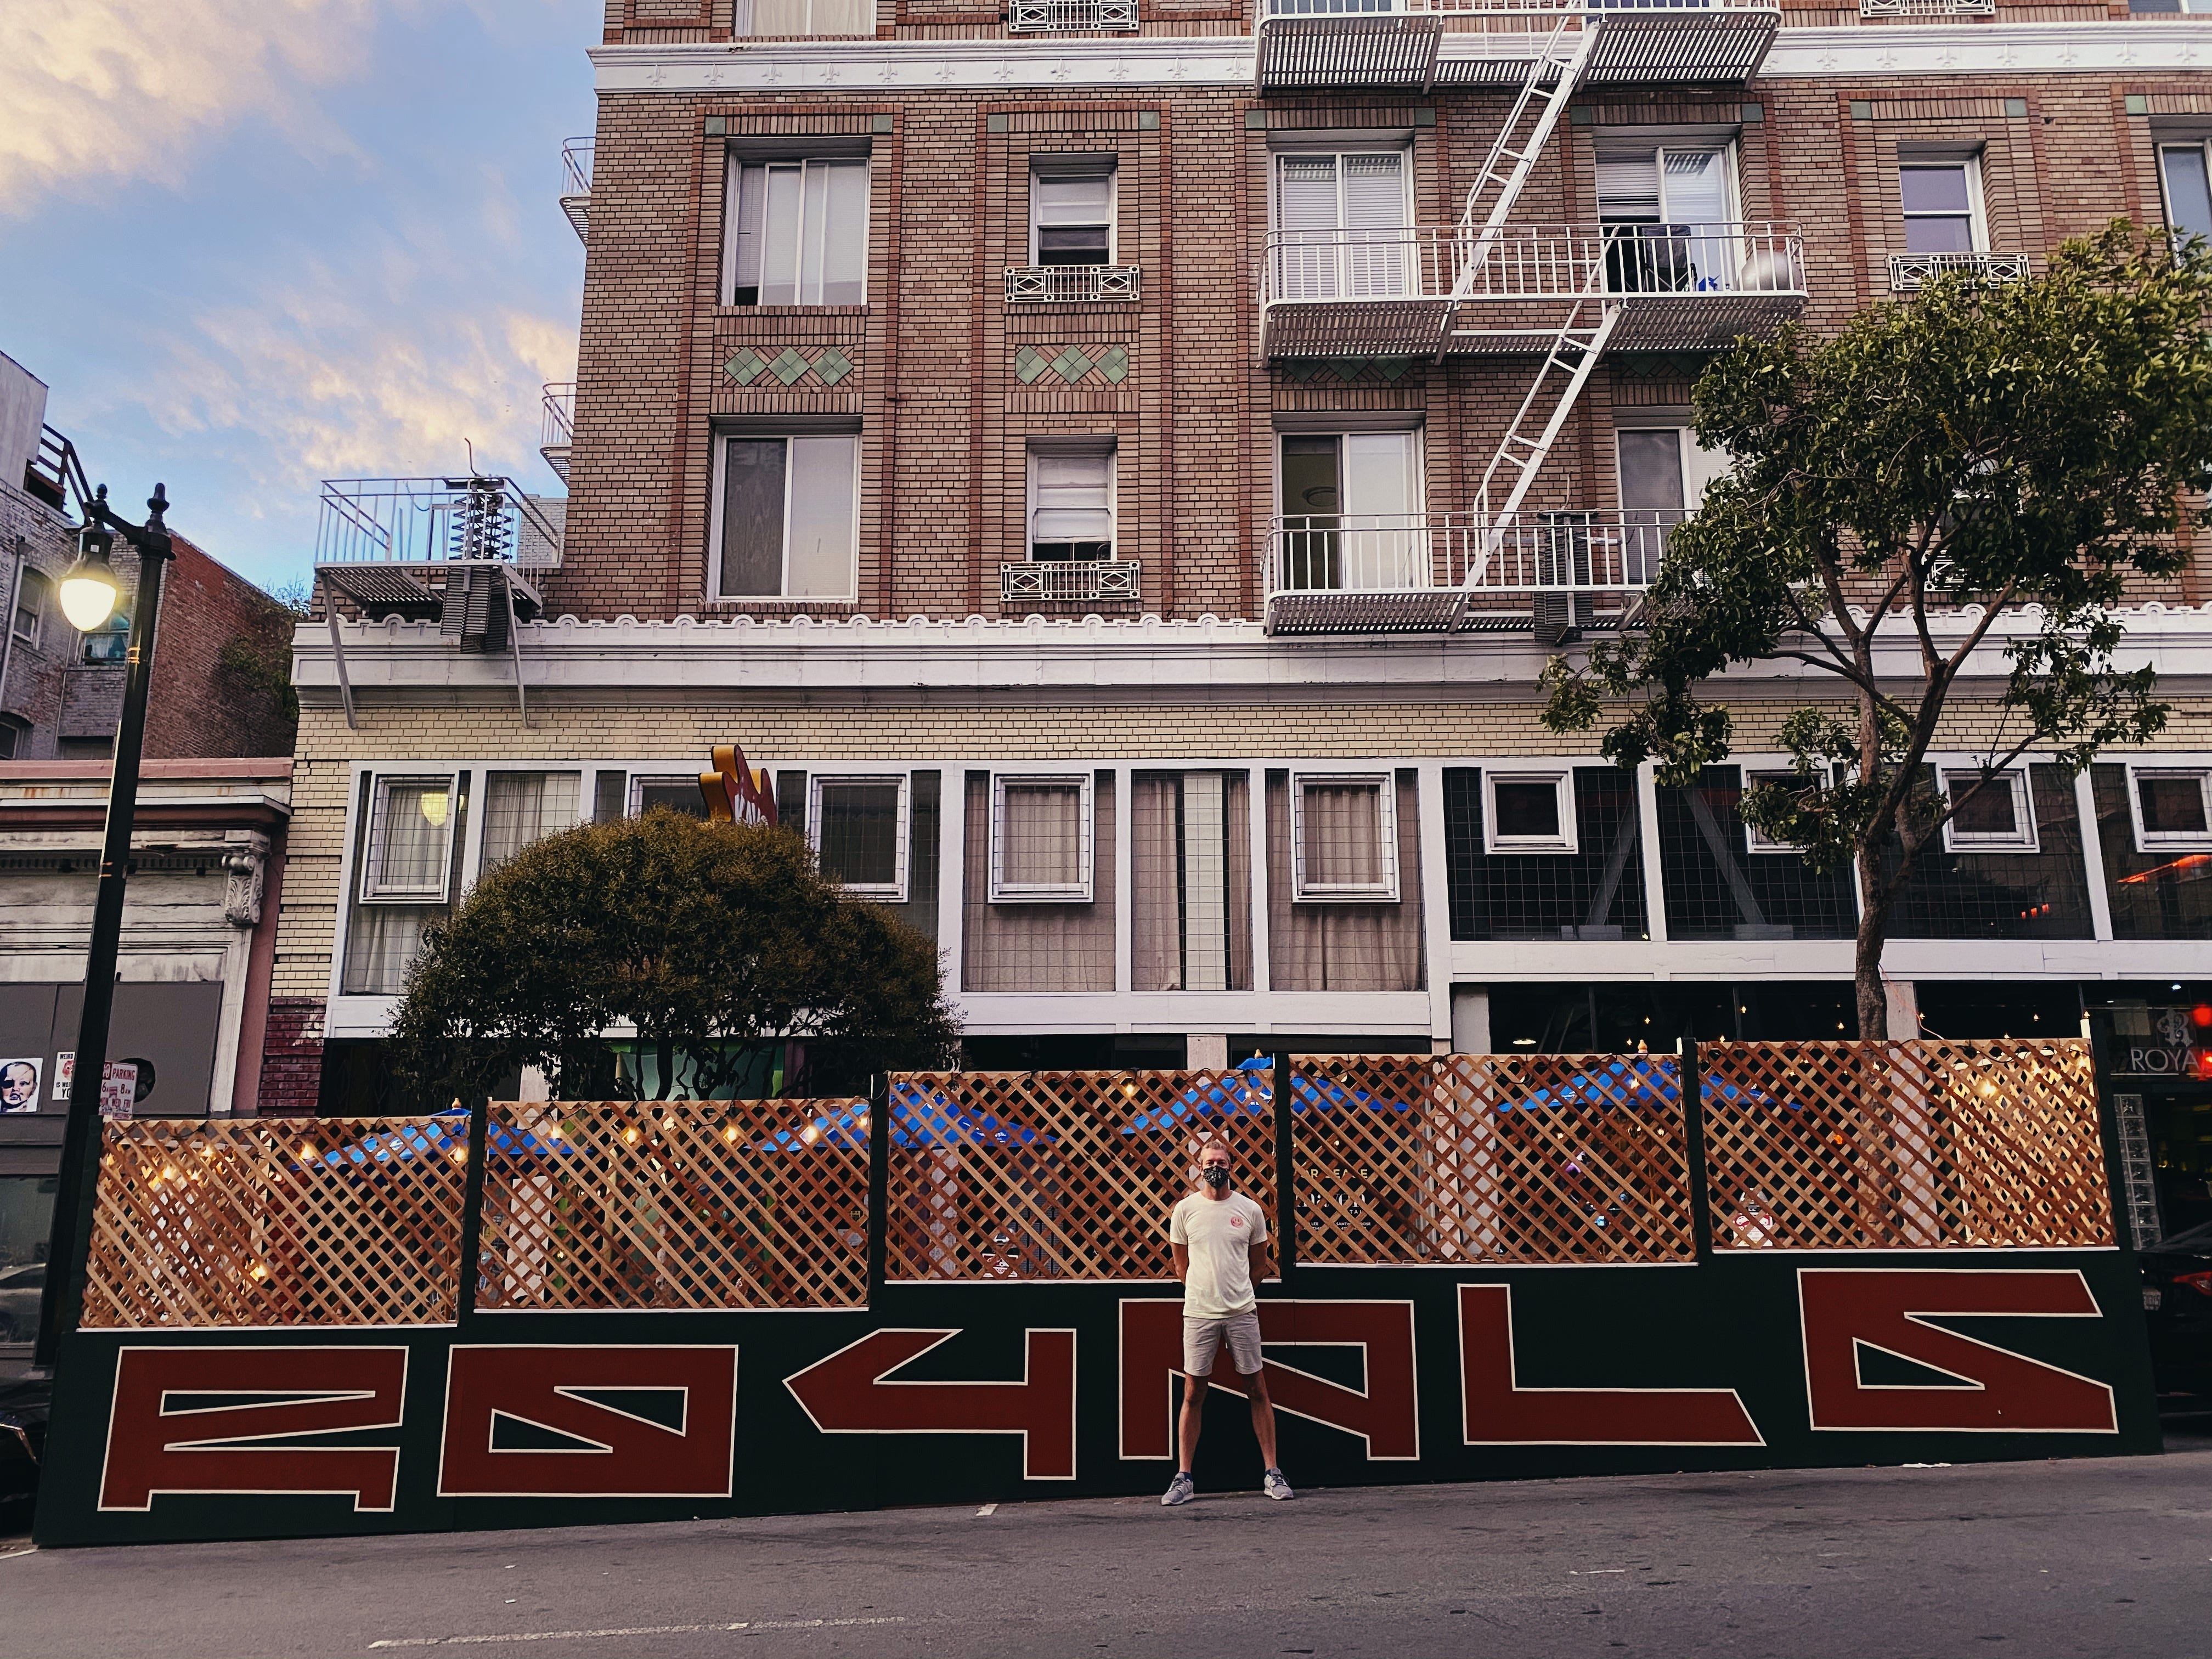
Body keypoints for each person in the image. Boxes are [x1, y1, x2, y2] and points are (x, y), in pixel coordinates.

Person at [1161, 1136, 1291, 1505]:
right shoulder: (1185, 1211)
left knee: (1257, 1390)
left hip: (1242, 1313)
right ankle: (1184, 1476)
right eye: (1209, 1161)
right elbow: (1180, 1265)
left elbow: (1260, 1265)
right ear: (1199, 1167)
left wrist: (1238, 1294)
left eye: (1221, 1161)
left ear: (1231, 1166)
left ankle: (1272, 1472)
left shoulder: (1250, 1211)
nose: (1214, 1167)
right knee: (1193, 1393)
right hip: (1199, 1314)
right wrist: (1204, 1293)